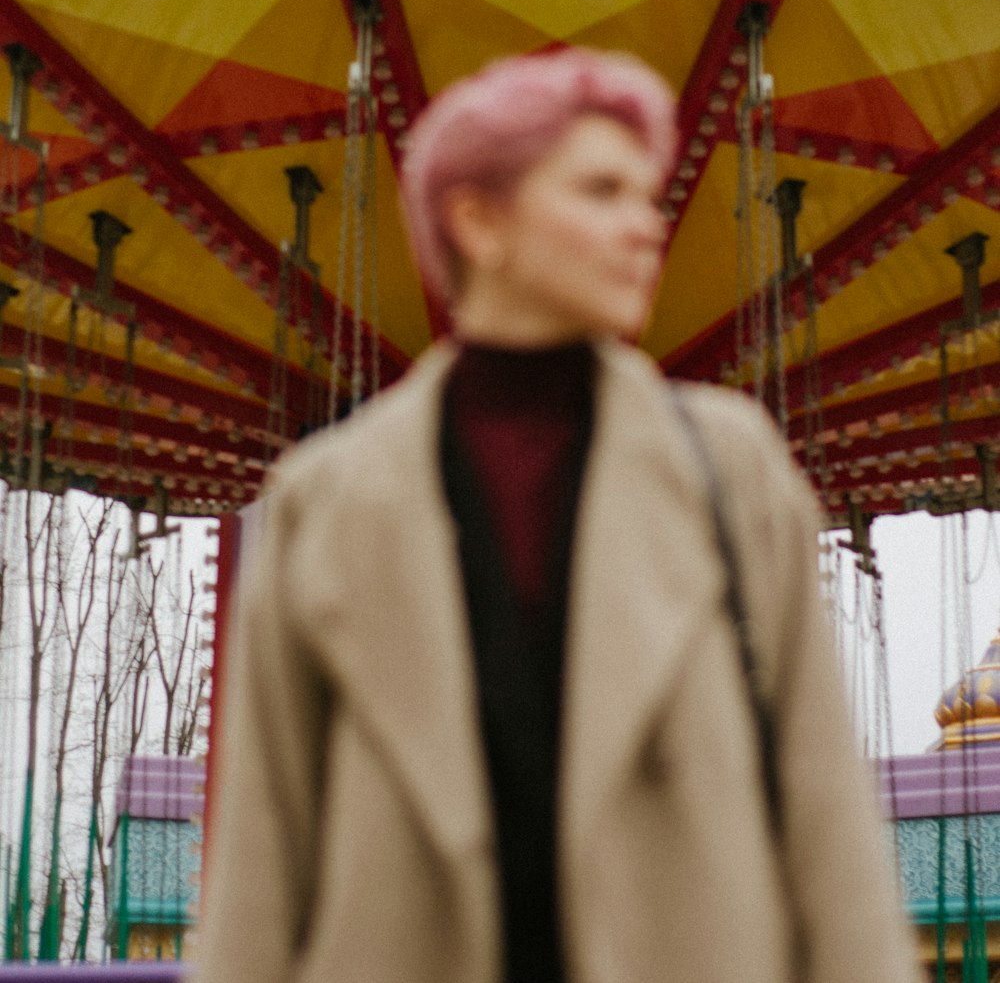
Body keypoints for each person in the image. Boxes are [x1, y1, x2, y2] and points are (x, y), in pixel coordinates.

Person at [196, 48, 919, 983]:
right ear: (478, 220)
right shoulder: (322, 500)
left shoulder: (729, 469)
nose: (644, 227)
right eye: (601, 191)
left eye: (648, 197)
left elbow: (827, 814)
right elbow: (264, 846)